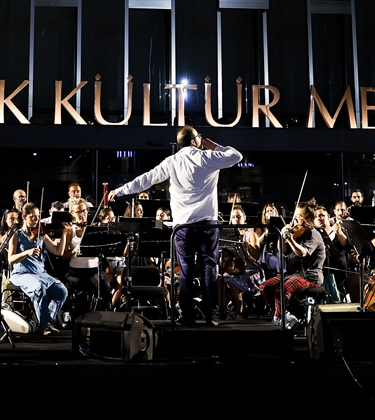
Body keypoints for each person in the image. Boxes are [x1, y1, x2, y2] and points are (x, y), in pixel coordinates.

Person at [108, 125, 243, 326]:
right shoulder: (207, 157)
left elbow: (146, 179)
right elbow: (236, 156)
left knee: (185, 271)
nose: (202, 139)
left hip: (183, 227)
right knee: (209, 268)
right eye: (199, 137)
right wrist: (213, 145)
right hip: (207, 225)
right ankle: (211, 315)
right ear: (193, 141)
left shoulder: (172, 161)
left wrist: (120, 191)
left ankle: (187, 315)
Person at [258, 201, 326, 328]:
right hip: (293, 274)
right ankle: (285, 315)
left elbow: (303, 253)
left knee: (282, 290)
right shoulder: (296, 233)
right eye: (294, 216)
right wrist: (282, 236)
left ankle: (279, 318)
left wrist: (289, 239)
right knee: (265, 287)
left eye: (298, 217)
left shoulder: (313, 234)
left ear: (308, 220)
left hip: (310, 276)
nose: (294, 220)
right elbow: (282, 250)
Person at [6, 202, 69, 334]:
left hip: (40, 273)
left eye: (38, 217)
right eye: (33, 217)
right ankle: (44, 324)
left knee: (61, 291)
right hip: (21, 274)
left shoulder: (41, 234)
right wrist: (27, 253)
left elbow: (58, 251)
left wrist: (64, 233)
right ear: (24, 217)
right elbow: (10, 259)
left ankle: (47, 321)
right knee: (39, 287)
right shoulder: (16, 234)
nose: (36, 220)